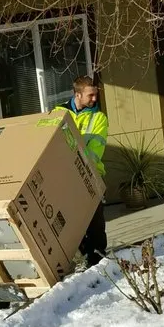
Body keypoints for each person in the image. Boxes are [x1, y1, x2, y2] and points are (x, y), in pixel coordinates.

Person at [54, 75, 108, 268]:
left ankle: (98, 262)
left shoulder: (98, 118)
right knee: (71, 224)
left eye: (96, 95)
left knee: (95, 223)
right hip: (65, 177)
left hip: (90, 176)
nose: (95, 99)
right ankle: (82, 257)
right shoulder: (58, 113)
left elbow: (94, 152)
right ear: (77, 94)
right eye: (90, 95)